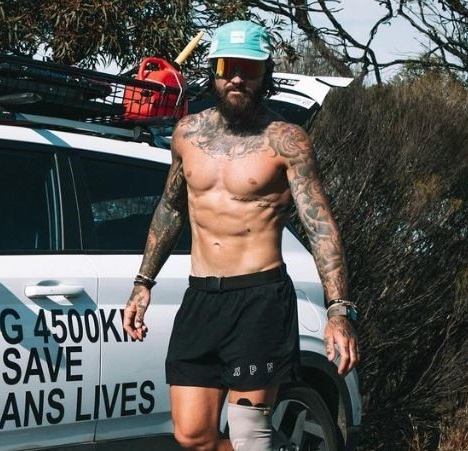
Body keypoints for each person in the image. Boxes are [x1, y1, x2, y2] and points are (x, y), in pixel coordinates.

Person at [122, 20, 360, 451]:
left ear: (264, 73)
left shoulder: (286, 140)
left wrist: (339, 310)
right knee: (192, 436)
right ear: (214, 68)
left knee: (249, 435)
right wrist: (143, 283)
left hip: (260, 299)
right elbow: (171, 208)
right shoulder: (187, 134)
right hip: (201, 299)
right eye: (228, 66)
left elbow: (320, 226)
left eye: (248, 68)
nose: (236, 77)